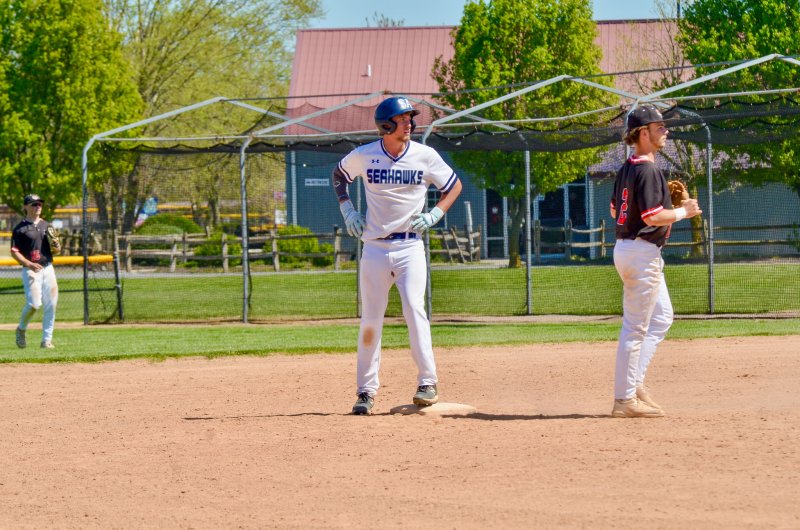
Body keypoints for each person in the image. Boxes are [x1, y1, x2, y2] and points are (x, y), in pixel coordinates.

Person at [333, 96, 463, 415]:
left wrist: (435, 213)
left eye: (409, 118)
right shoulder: (365, 155)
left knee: (415, 311)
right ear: (386, 124)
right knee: (371, 319)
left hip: (409, 247)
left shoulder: (424, 155)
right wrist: (347, 209)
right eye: (403, 119)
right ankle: (365, 392)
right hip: (374, 248)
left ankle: (427, 383)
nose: (409, 123)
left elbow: (454, 186)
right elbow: (338, 176)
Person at [609, 105, 702, 418]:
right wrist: (683, 212)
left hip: (628, 249)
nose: (666, 131)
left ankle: (634, 384)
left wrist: (658, 205)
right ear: (642, 133)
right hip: (641, 252)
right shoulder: (648, 171)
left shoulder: (627, 168)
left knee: (662, 316)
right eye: (659, 126)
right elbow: (652, 217)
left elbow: (615, 211)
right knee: (635, 329)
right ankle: (624, 400)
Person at [11, 193, 59, 349]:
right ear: (26, 207)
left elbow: (56, 250)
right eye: (34, 204)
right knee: (34, 304)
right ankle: (21, 329)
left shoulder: (47, 225)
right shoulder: (20, 229)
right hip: (30, 270)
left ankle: (46, 340)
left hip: (48, 268)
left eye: (39, 204)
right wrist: (28, 263)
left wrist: (57, 246)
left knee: (51, 305)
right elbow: (14, 251)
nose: (38, 206)